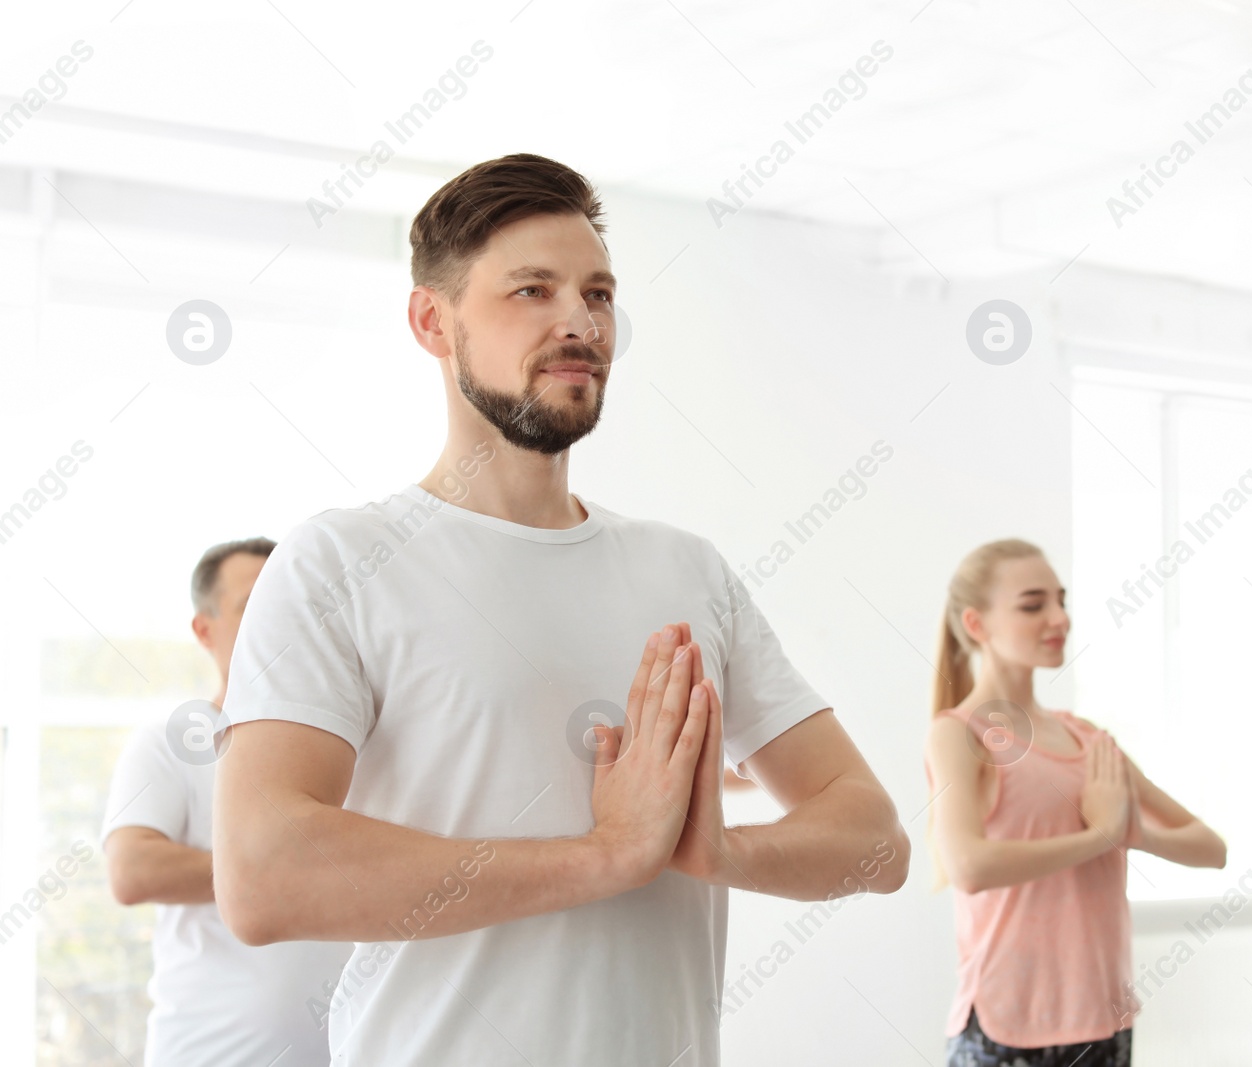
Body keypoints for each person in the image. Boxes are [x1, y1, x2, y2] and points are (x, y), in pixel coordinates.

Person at [210, 153, 910, 1066]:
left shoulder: (685, 568)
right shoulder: (341, 560)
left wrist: (719, 852)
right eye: (532, 291)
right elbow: (265, 875)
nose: (579, 322)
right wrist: (607, 853)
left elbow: (876, 839)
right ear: (433, 321)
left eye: (599, 293)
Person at [924, 538, 1227, 1067]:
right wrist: (1098, 838)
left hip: (1104, 1022)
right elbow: (969, 867)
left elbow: (1211, 847)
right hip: (1006, 1024)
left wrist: (1137, 834)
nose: (1059, 617)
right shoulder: (958, 734)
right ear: (977, 624)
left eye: (1061, 601)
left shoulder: (1088, 738)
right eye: (1033, 604)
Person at [102, 538, 353, 1066]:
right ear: (204, 629)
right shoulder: (168, 745)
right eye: (250, 607)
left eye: (285, 606)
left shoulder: (356, 752)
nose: (273, 623)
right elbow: (132, 871)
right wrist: (276, 870)